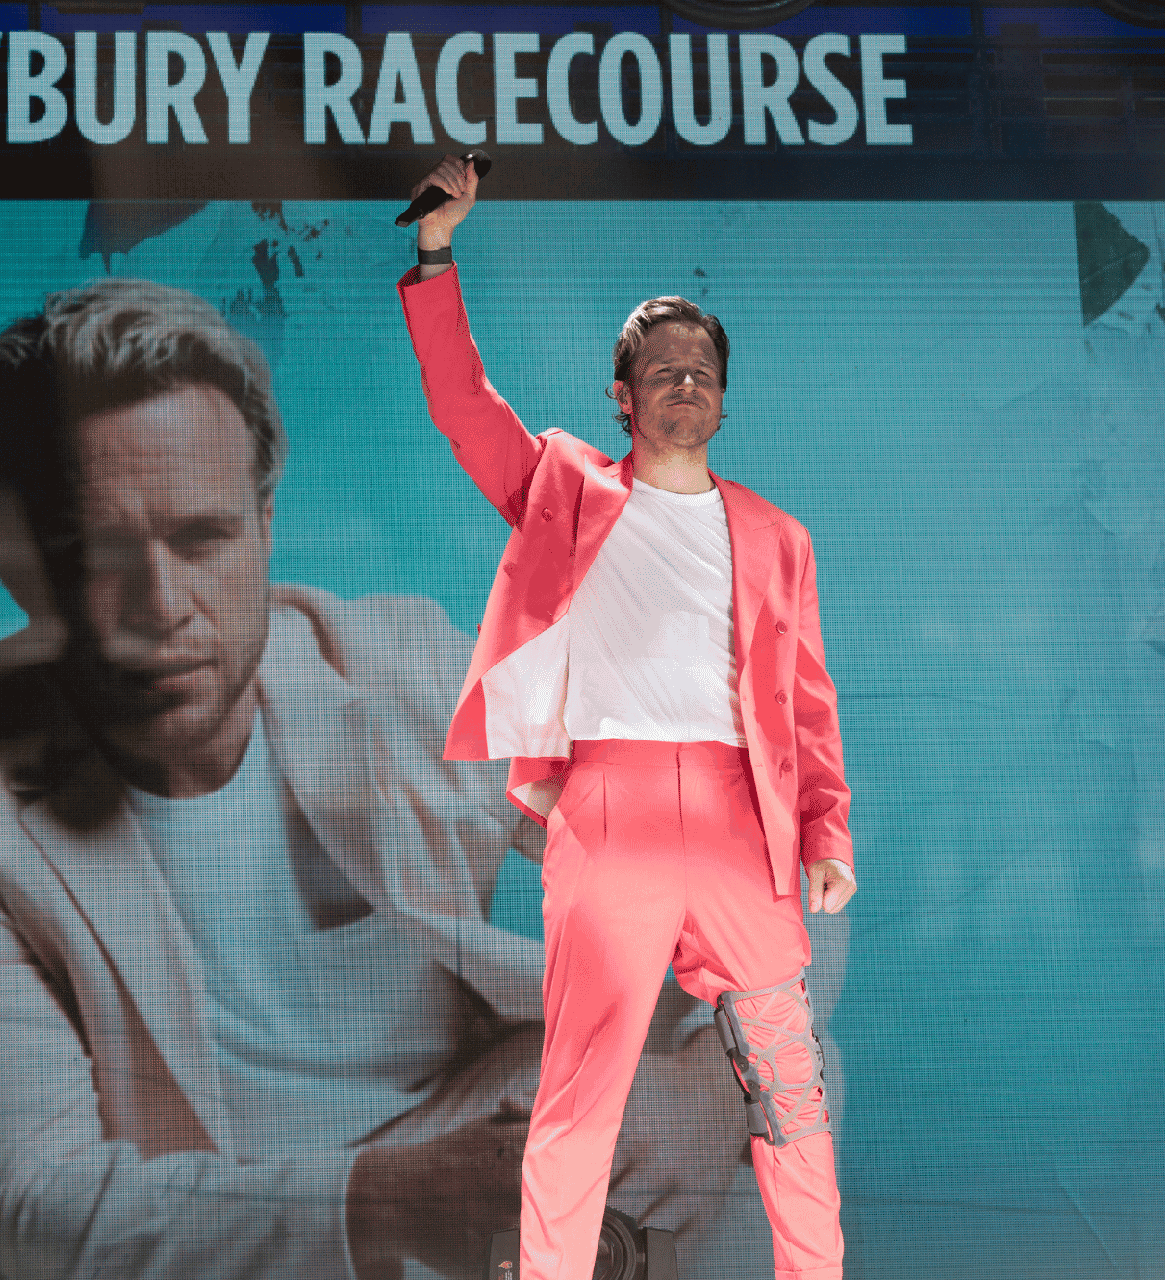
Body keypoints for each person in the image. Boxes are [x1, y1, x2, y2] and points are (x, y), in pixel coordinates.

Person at [0, 278, 746, 1280]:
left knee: (773, 1100)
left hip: (468, 1139)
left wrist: (715, 1080)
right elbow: (39, 1198)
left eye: (203, 539)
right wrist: (389, 1200)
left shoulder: (397, 666)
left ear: (264, 521)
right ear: (13, 559)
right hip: (219, 1218)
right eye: (98, 551)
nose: (162, 604)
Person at [397, 157, 859, 1280]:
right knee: (582, 1090)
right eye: (662, 370)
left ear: (724, 397)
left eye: (701, 371)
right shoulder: (564, 485)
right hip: (610, 808)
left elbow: (805, 700)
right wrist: (435, 255)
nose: (684, 385)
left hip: (744, 823)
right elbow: (466, 407)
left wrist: (827, 835)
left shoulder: (778, 536)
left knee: (789, 1089)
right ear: (624, 394)